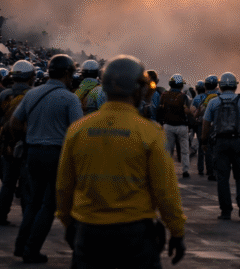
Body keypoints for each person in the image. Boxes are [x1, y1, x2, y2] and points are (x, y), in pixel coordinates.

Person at [55, 55, 186, 267]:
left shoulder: (78, 130)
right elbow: (165, 191)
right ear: (138, 89)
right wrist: (177, 232)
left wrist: (68, 223)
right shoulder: (149, 132)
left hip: (89, 231)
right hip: (135, 234)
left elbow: (63, 186)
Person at [11, 54, 83, 263]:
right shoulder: (70, 98)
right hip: (56, 155)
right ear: (67, 73)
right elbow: (77, 133)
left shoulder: (32, 95)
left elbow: (14, 124)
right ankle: (31, 250)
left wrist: (28, 137)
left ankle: (20, 246)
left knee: (33, 203)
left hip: (33, 153)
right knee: (49, 205)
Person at [201, 73, 240, 220]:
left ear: (220, 86)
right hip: (239, 142)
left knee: (222, 178)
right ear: (235, 86)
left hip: (220, 143)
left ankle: (226, 210)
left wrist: (203, 141)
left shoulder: (214, 102)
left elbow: (206, 124)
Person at [0, 60, 36, 226]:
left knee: (7, 183)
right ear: (31, 77)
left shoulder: (4, 95)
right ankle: (27, 218)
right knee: (26, 185)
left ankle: (1, 215)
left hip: (7, 146)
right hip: (26, 146)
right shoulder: (34, 95)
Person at [156, 74, 193, 179]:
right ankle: (185, 170)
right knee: (184, 151)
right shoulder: (184, 96)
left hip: (168, 125)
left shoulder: (163, 95)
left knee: (168, 150)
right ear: (181, 85)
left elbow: (160, 110)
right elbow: (187, 111)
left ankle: (166, 170)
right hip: (182, 126)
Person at [195, 75, 220, 180]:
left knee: (204, 148)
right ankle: (217, 170)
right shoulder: (220, 96)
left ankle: (204, 169)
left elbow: (194, 113)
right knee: (217, 149)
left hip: (203, 125)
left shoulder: (199, 97)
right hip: (219, 126)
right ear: (217, 85)